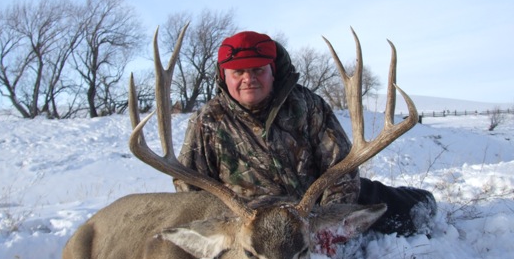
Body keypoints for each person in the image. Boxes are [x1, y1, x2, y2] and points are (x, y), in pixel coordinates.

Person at [174, 31, 436, 236]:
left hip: (315, 209)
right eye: (238, 72)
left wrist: (329, 222)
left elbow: (341, 168)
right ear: (224, 76)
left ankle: (423, 203)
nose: (248, 79)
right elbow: (191, 188)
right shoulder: (207, 120)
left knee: (409, 211)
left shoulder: (307, 105)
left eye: (258, 70)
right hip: (250, 223)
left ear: (273, 72)